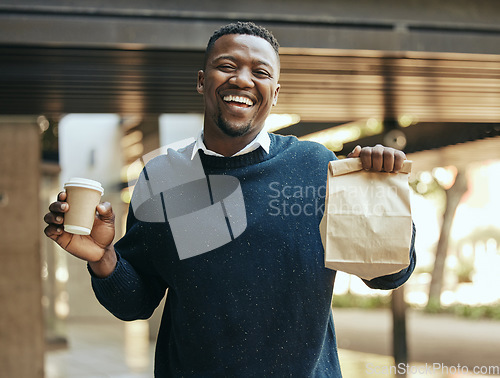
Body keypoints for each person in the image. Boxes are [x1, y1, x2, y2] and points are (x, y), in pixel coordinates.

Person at [44, 21, 416, 377]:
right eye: (227, 66)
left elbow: (390, 274)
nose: (242, 79)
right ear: (203, 81)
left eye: (261, 71)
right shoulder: (164, 177)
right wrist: (103, 257)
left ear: (275, 91)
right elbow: (135, 303)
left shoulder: (316, 167)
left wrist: (379, 190)